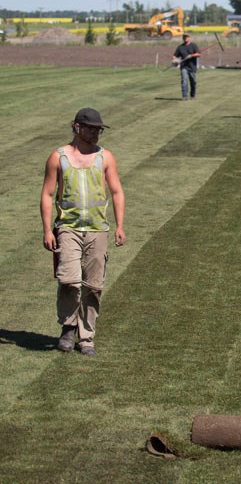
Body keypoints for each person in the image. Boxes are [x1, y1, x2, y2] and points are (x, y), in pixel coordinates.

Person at [40, 108, 126, 356]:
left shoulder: (106, 157)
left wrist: (119, 225)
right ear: (77, 128)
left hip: (98, 229)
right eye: (91, 128)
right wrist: (47, 230)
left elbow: (117, 191)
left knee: (93, 286)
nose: (96, 133)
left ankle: (86, 337)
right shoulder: (58, 157)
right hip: (67, 227)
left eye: (99, 129)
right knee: (68, 280)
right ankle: (68, 326)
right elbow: (47, 195)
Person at [173, 34, 201, 100]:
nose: (186, 39)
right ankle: (184, 96)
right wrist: (175, 60)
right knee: (184, 80)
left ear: (189, 38)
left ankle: (192, 95)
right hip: (184, 66)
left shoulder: (194, 45)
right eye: (184, 38)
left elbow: (198, 54)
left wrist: (191, 55)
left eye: (187, 37)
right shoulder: (180, 47)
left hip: (192, 67)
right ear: (183, 39)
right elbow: (174, 56)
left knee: (193, 82)